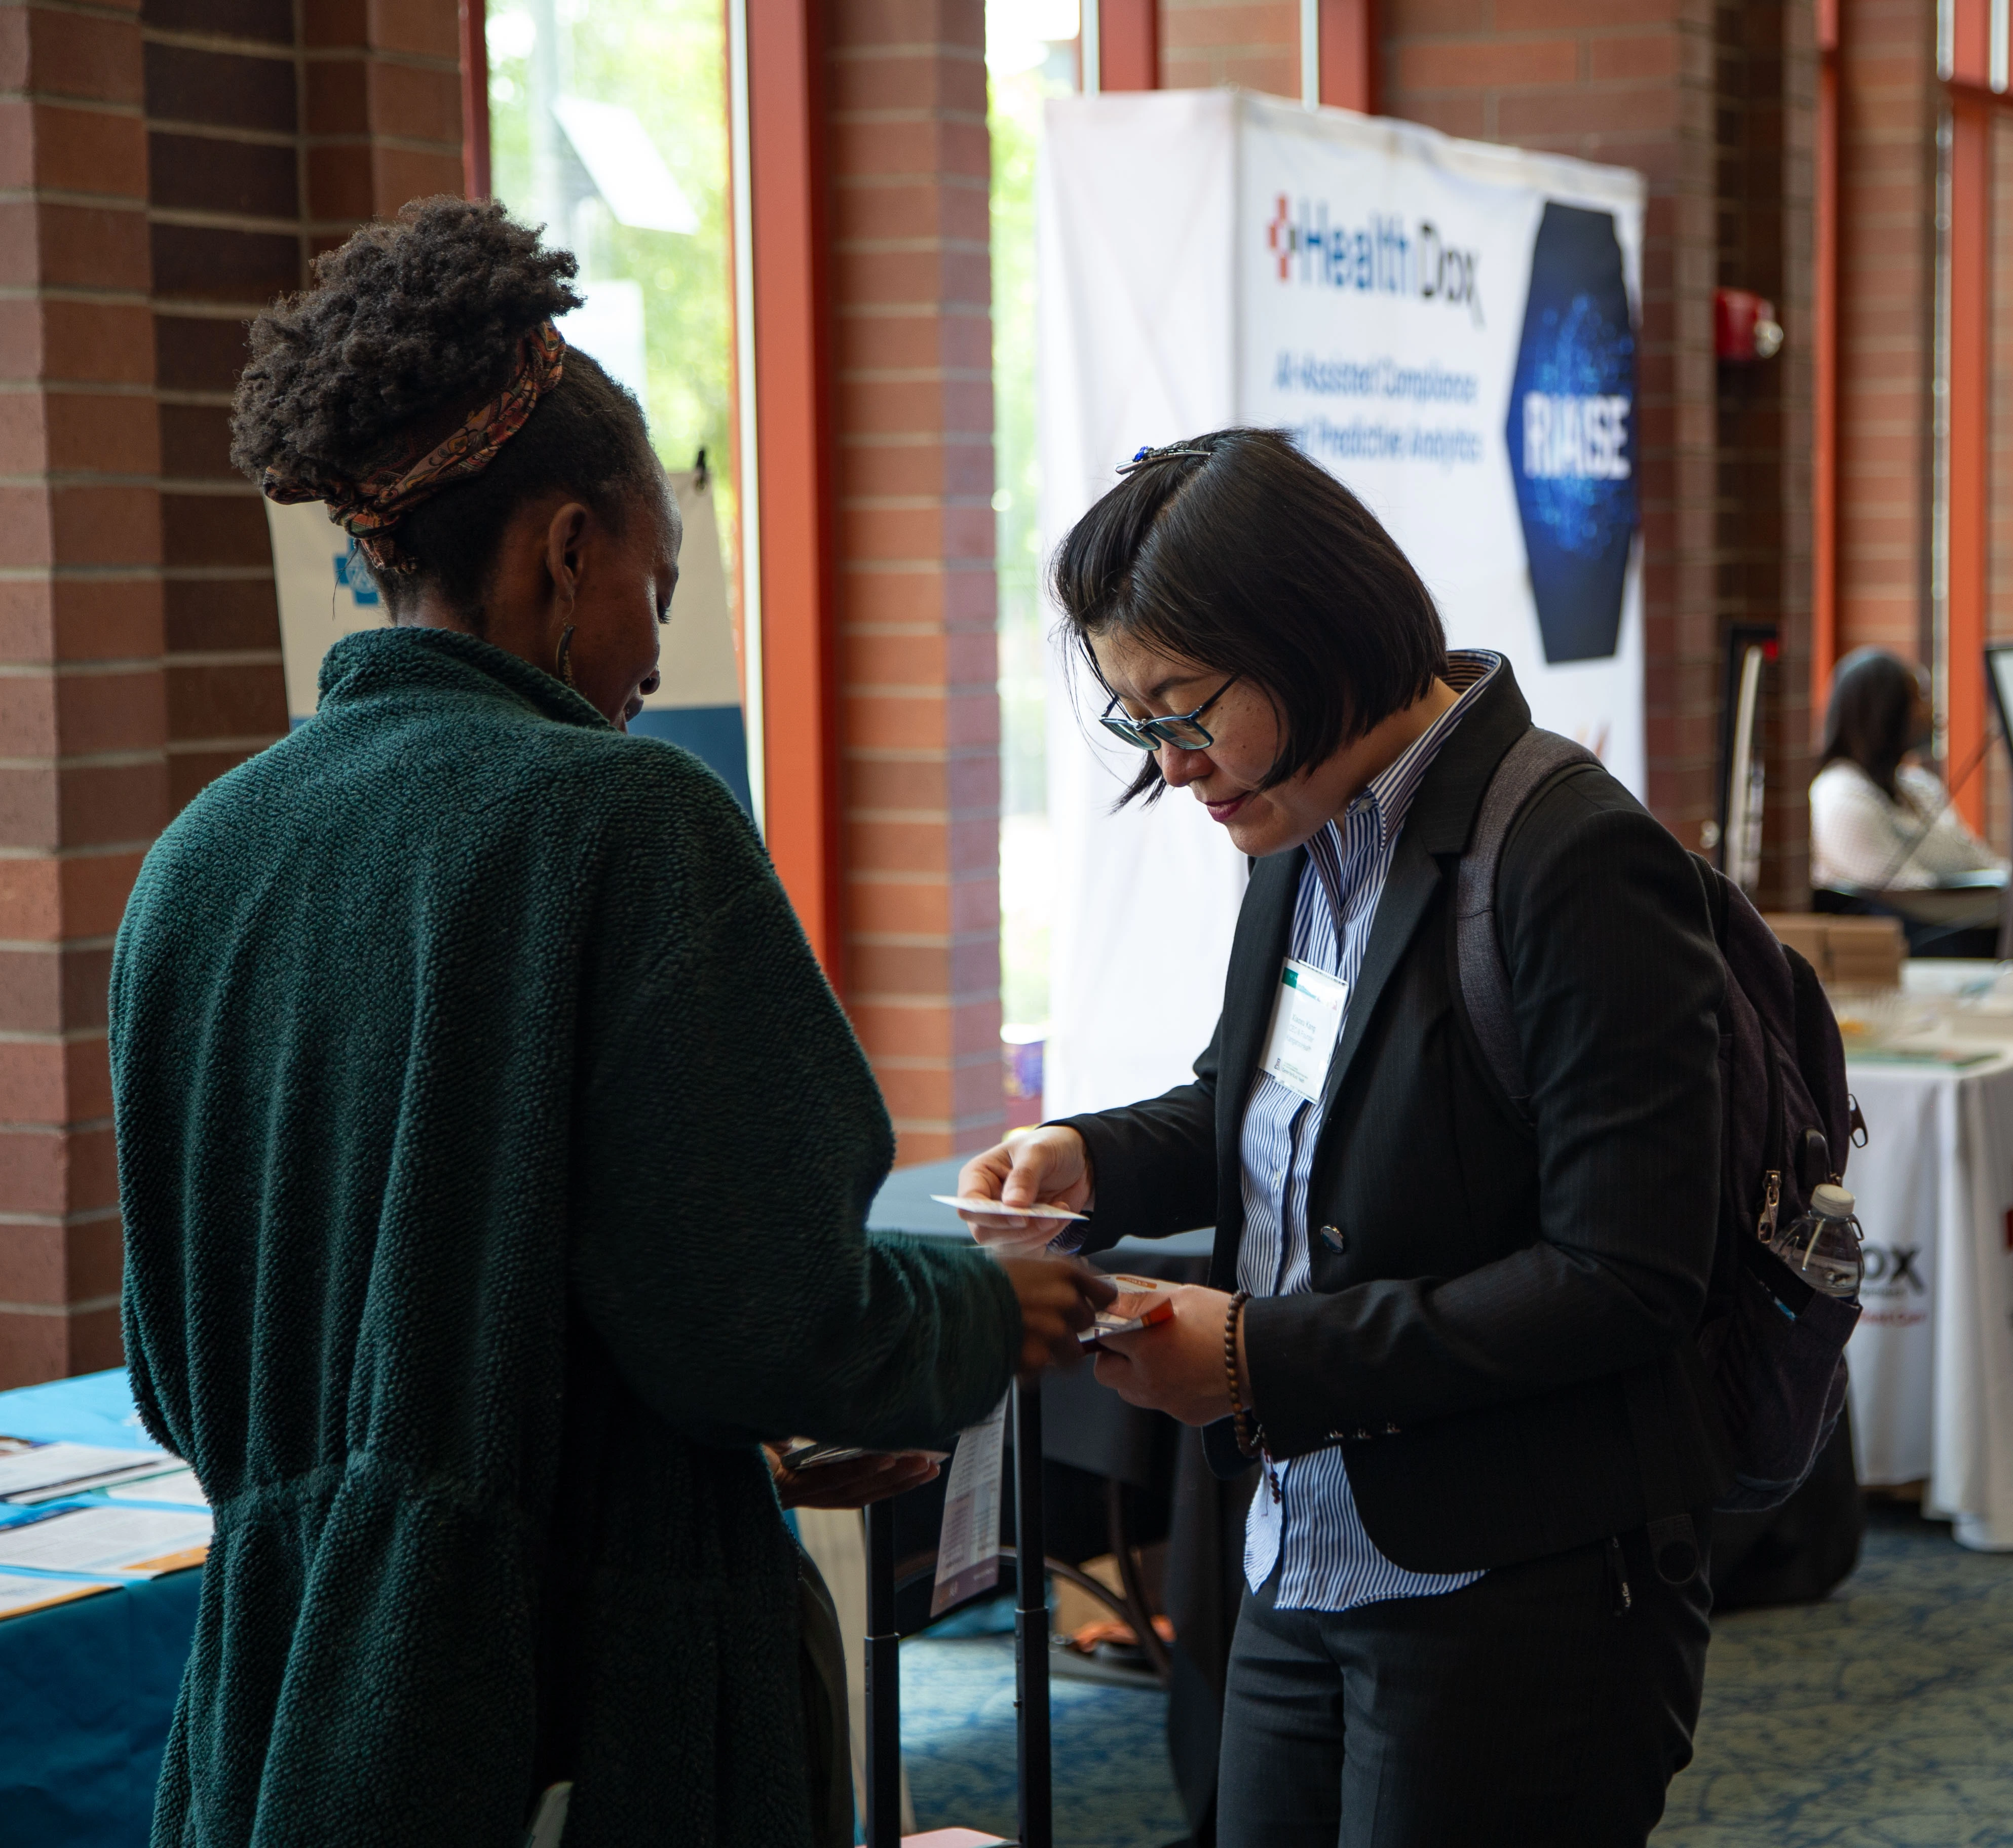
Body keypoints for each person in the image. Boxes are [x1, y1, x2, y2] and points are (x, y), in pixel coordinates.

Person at [109, 200, 1111, 1847]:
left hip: (280, 1722)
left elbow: (191, 1370)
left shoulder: (194, 863)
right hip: (577, 1720)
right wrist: (982, 1312)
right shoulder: (623, 820)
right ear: (567, 547)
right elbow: (764, 1314)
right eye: (656, 580)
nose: (652, 650)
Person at [959, 429, 1726, 1848]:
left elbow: (1628, 1279)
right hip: (1299, 1554)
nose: (1175, 768)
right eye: (1140, 723)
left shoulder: (1567, 858)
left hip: (1514, 1585)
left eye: (1184, 709)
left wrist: (1263, 1359)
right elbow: (1266, 1109)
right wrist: (1093, 1157)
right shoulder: (1298, 829)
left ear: (1310, 641)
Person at [1808, 648, 2005, 951]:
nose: (1933, 712)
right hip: (1914, 953)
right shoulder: (1840, 799)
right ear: (1884, 712)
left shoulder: (1919, 787)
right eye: (1921, 699)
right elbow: (1915, 899)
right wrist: (2007, 900)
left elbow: (1980, 862)